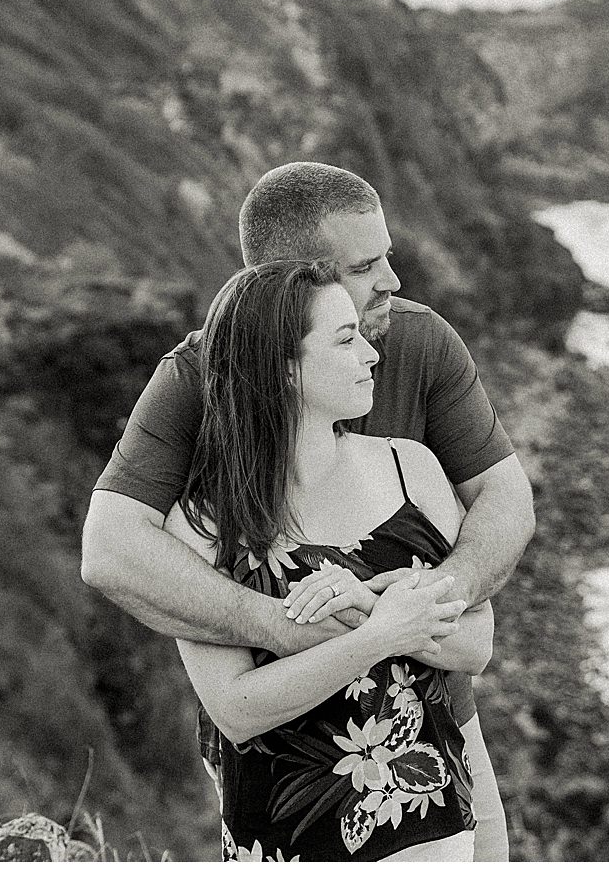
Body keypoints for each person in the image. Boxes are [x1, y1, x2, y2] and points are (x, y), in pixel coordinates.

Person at [81, 162, 533, 859]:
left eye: (388, 254)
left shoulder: (419, 344)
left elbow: (505, 500)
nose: (392, 280)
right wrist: (290, 629)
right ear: (292, 285)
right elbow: (110, 550)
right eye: (365, 265)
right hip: (280, 737)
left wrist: (426, 599)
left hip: (432, 710)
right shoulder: (195, 377)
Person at [167, 259, 487, 858]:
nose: (371, 355)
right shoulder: (203, 523)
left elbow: (477, 642)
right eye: (345, 339)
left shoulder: (409, 467)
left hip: (432, 833)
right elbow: (236, 709)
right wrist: (381, 635)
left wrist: (371, 604)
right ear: (282, 369)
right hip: (292, 844)